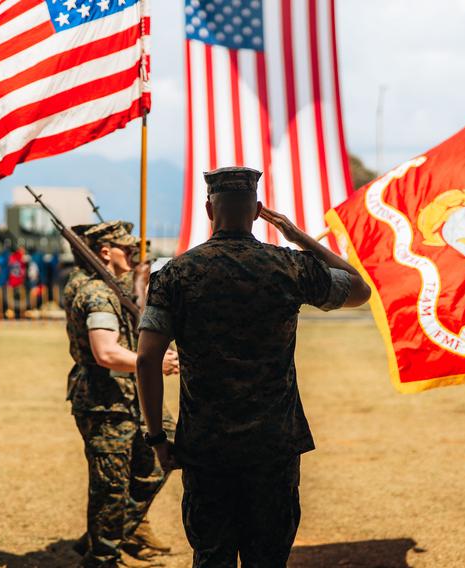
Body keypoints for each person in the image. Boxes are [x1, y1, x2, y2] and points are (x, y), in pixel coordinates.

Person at [135, 167, 371, 567]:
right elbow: (359, 289)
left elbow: (145, 358)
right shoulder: (289, 266)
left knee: (212, 556)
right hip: (273, 445)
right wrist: (300, 239)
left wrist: (157, 438)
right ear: (258, 210)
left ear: (209, 208)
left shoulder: (175, 274)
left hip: (207, 446)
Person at [65, 222, 179, 568]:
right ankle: (102, 556)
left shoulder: (108, 286)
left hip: (128, 396)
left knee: (167, 452)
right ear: (104, 253)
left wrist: (141, 282)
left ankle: (108, 535)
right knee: (110, 488)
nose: (134, 255)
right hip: (105, 402)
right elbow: (107, 353)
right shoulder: (97, 293)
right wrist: (154, 363)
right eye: (127, 250)